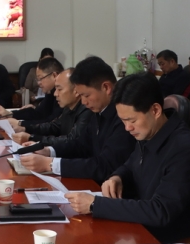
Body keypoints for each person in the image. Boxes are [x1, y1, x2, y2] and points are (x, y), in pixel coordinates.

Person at [65, 72, 190, 244]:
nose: (127, 128)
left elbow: (161, 211)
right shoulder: (150, 131)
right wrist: (117, 177)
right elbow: (131, 165)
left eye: (131, 120)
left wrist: (96, 204)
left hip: (164, 240)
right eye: (123, 121)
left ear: (155, 110)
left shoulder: (184, 147)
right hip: (138, 226)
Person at [19, 56, 134, 184]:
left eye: (86, 95)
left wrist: (51, 164)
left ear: (106, 88)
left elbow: (105, 165)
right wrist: (48, 151)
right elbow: (80, 145)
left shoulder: (124, 118)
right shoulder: (98, 110)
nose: (83, 102)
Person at [10, 68, 94, 149]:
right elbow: (54, 127)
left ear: (76, 91)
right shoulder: (69, 107)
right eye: (55, 89)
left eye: (59, 89)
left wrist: (32, 138)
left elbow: (71, 140)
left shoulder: (87, 110)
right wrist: (25, 128)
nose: (55, 94)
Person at [0, 57, 64, 125]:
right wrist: (10, 114)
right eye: (37, 79)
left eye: (40, 78)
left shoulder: (64, 94)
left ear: (54, 75)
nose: (38, 83)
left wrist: (20, 124)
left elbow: (50, 123)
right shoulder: (51, 91)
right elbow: (38, 113)